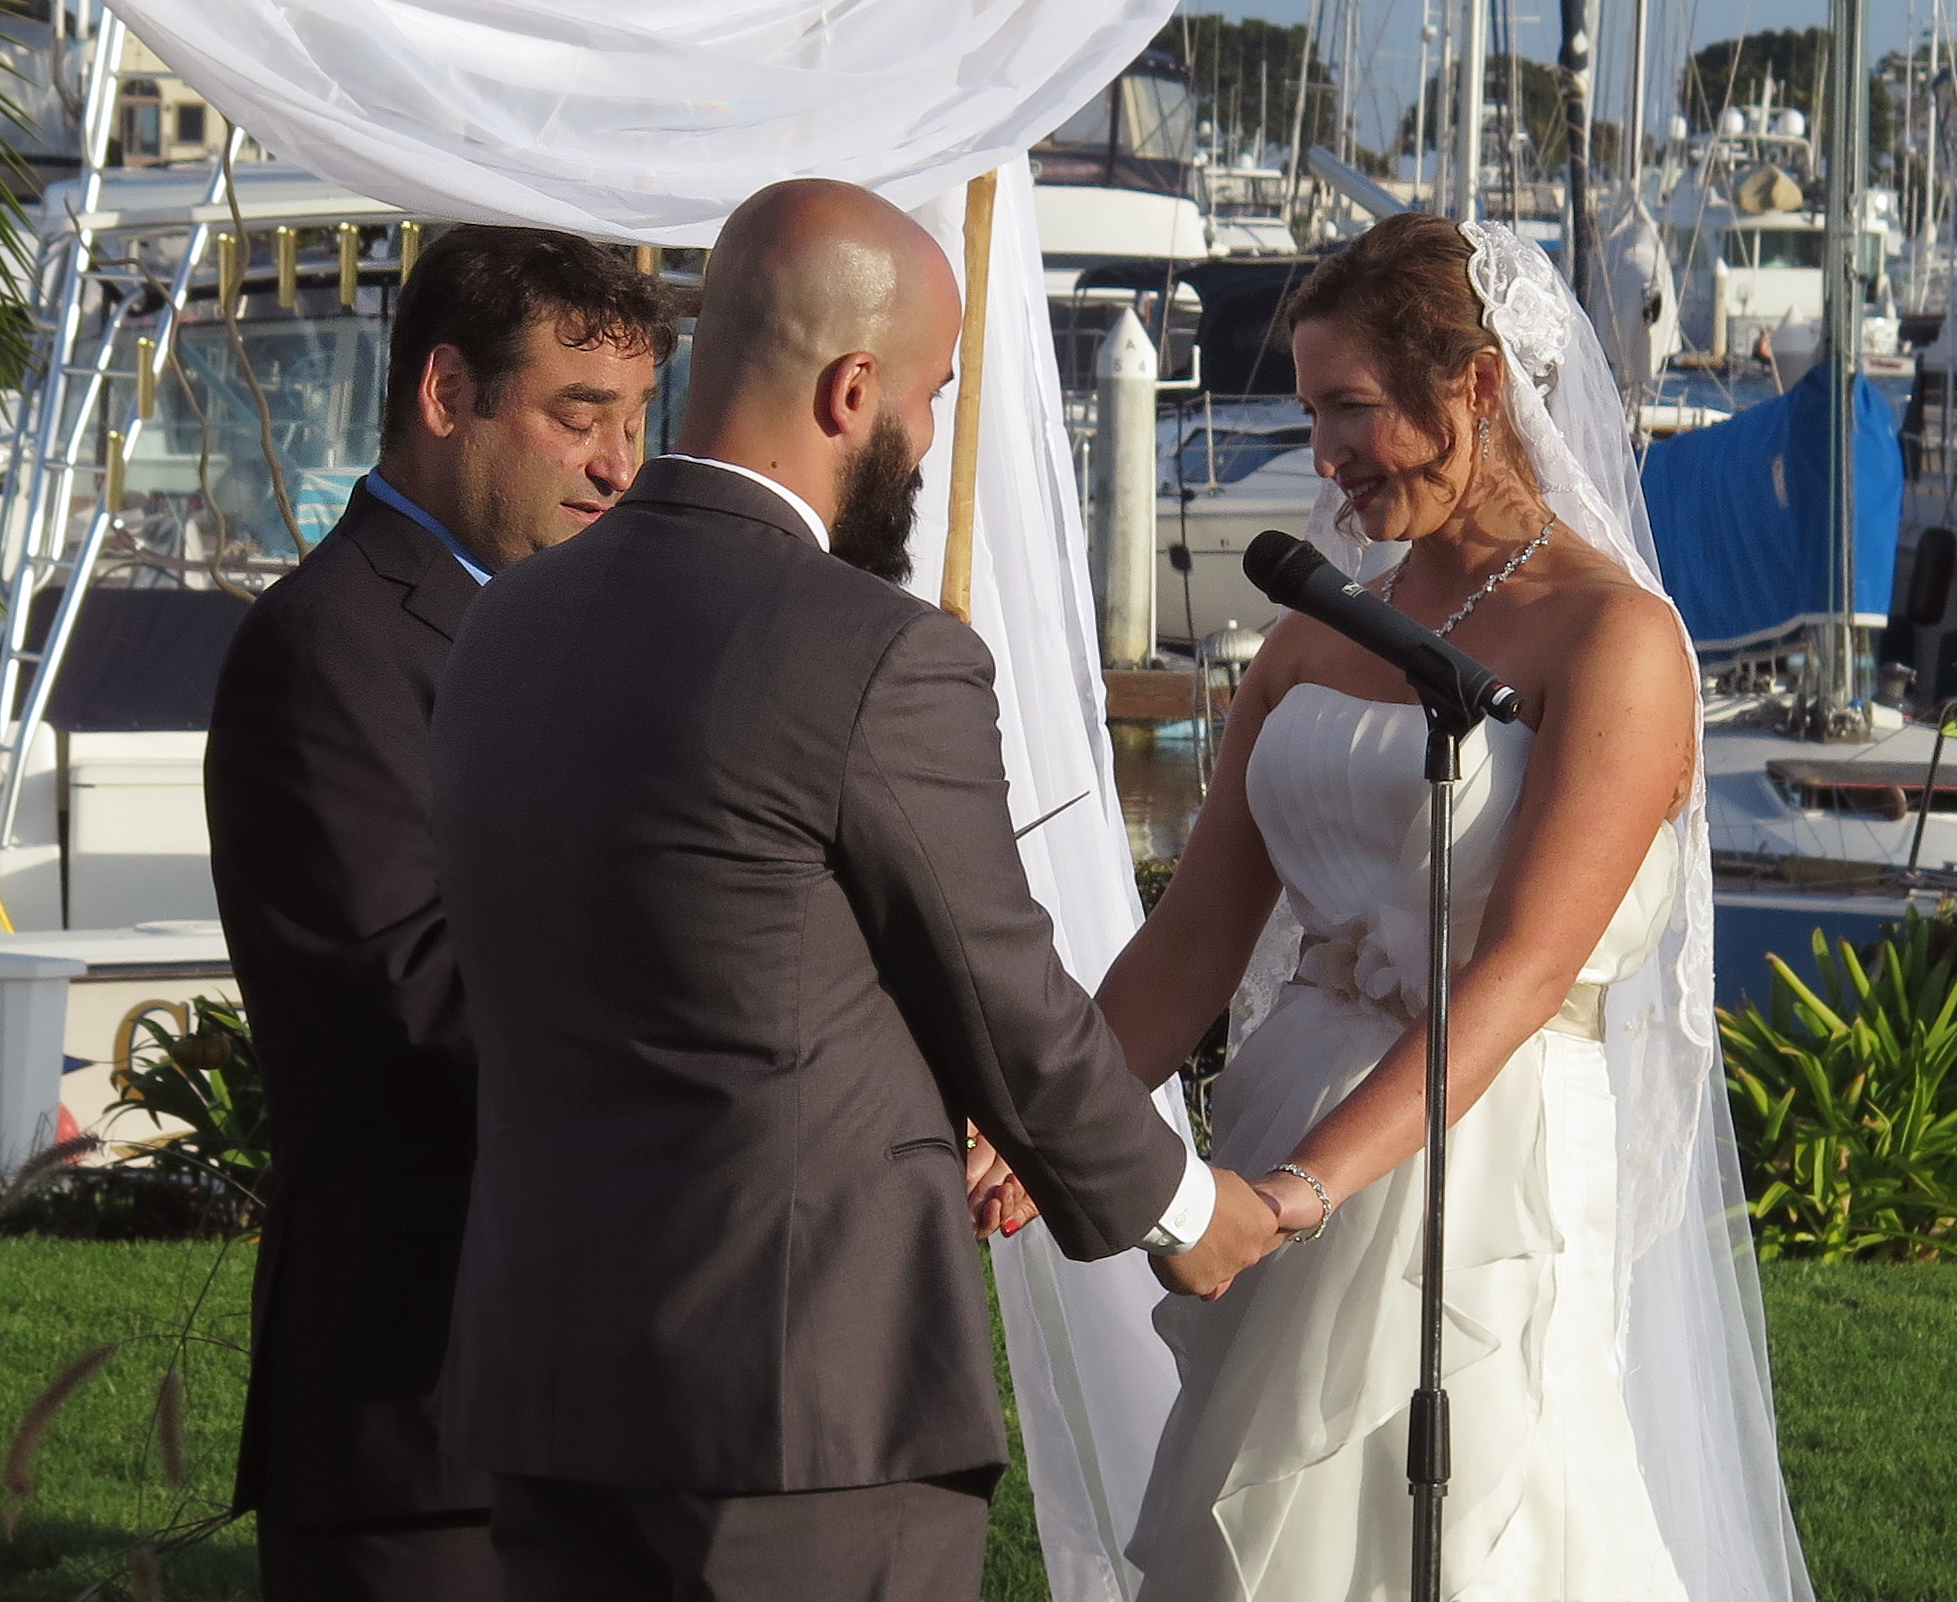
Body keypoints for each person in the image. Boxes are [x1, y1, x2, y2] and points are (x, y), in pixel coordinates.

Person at [427, 177, 1281, 1602]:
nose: (929, 440)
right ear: (851, 390)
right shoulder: (874, 650)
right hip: (797, 1403)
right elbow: (1004, 995)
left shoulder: (506, 620)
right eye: (932, 397)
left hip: (549, 1378)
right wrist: (1187, 1212)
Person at [1094, 214, 1815, 1601]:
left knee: (1485, 1515)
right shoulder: (1313, 633)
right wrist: (1037, 1121)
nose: (1323, 454)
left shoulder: (1611, 638)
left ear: (1476, 387)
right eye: (1311, 412)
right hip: (1289, 1114)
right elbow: (1191, 940)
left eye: (1350, 407)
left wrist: (1299, 1193)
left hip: (1482, 1149)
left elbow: (1526, 969)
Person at [204, 225, 671, 1602]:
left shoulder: (581, 633)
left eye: (638, 420)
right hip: (423, 1423)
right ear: (447, 392)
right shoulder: (323, 649)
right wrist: (740, 1067)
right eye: (579, 416)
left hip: (608, 1408)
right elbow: (421, 993)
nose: (620, 464)